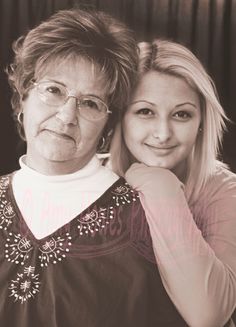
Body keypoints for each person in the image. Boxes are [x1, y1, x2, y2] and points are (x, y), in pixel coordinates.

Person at [0, 9, 195, 327]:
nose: (66, 116)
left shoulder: (146, 217)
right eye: (53, 90)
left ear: (108, 125)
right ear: (22, 96)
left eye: (90, 102)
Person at [110, 39, 236, 327]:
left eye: (181, 114)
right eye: (145, 111)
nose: (163, 133)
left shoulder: (225, 191)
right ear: (121, 117)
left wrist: (158, 184)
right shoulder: (94, 182)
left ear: (201, 121)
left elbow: (208, 315)